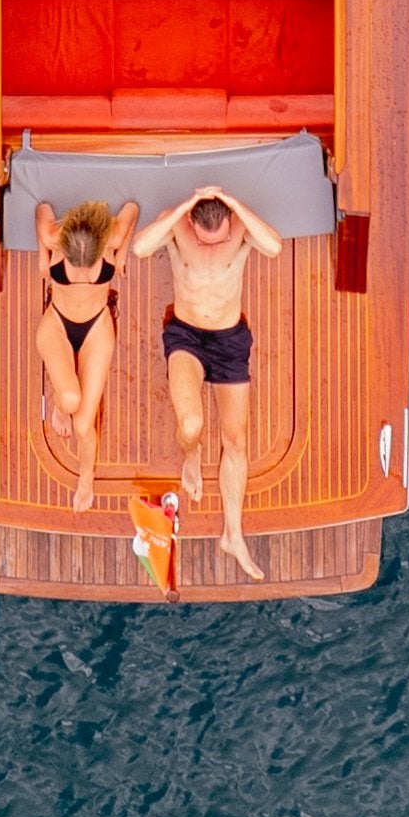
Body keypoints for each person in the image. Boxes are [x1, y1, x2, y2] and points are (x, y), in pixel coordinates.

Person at [133, 182, 283, 581]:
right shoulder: (180, 226)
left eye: (220, 240)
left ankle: (233, 534)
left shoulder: (241, 229)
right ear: (192, 222)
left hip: (230, 340)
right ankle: (192, 456)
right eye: (205, 240)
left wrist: (236, 204)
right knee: (191, 425)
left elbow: (274, 246)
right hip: (185, 335)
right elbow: (140, 249)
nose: (213, 247)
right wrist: (182, 207)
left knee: (236, 441)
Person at [34, 195, 139, 513]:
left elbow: (132, 210)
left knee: (83, 426)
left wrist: (120, 254)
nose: (80, 272)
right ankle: (58, 405)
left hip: (96, 327)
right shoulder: (54, 235)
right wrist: (43, 255)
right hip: (56, 323)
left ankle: (85, 481)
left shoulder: (112, 236)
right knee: (69, 400)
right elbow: (43, 210)